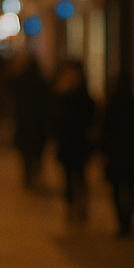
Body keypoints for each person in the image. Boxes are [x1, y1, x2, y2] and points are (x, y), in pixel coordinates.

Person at [99, 73, 134, 236]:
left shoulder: (111, 106)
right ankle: (127, 221)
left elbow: (104, 132)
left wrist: (103, 151)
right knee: (131, 189)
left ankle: (122, 221)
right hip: (132, 156)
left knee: (116, 188)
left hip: (116, 156)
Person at [51, 59, 96, 220]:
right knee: (72, 177)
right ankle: (73, 206)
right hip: (71, 143)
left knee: (77, 176)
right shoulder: (63, 96)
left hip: (77, 143)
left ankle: (79, 205)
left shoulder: (79, 97)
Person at [10, 54, 50, 189]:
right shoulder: (42, 82)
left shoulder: (21, 81)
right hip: (38, 126)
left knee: (26, 154)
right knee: (37, 153)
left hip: (25, 124)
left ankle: (28, 176)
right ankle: (34, 172)